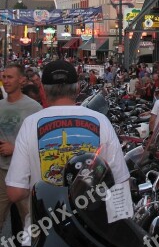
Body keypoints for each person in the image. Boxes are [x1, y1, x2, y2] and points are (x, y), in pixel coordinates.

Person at [6, 60, 129, 203]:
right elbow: (120, 182)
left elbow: (15, 192)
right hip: (91, 222)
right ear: (77, 88)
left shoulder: (30, 124)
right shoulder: (101, 121)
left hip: (45, 223)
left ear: (44, 91)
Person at [0, 64, 42, 247]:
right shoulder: (0, 106)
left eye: (10, 77)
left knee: (31, 225)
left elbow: (41, 143)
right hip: (1, 174)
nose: (6, 81)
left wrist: (14, 148)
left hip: (26, 176)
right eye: (4, 77)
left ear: (21, 80)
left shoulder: (34, 108)